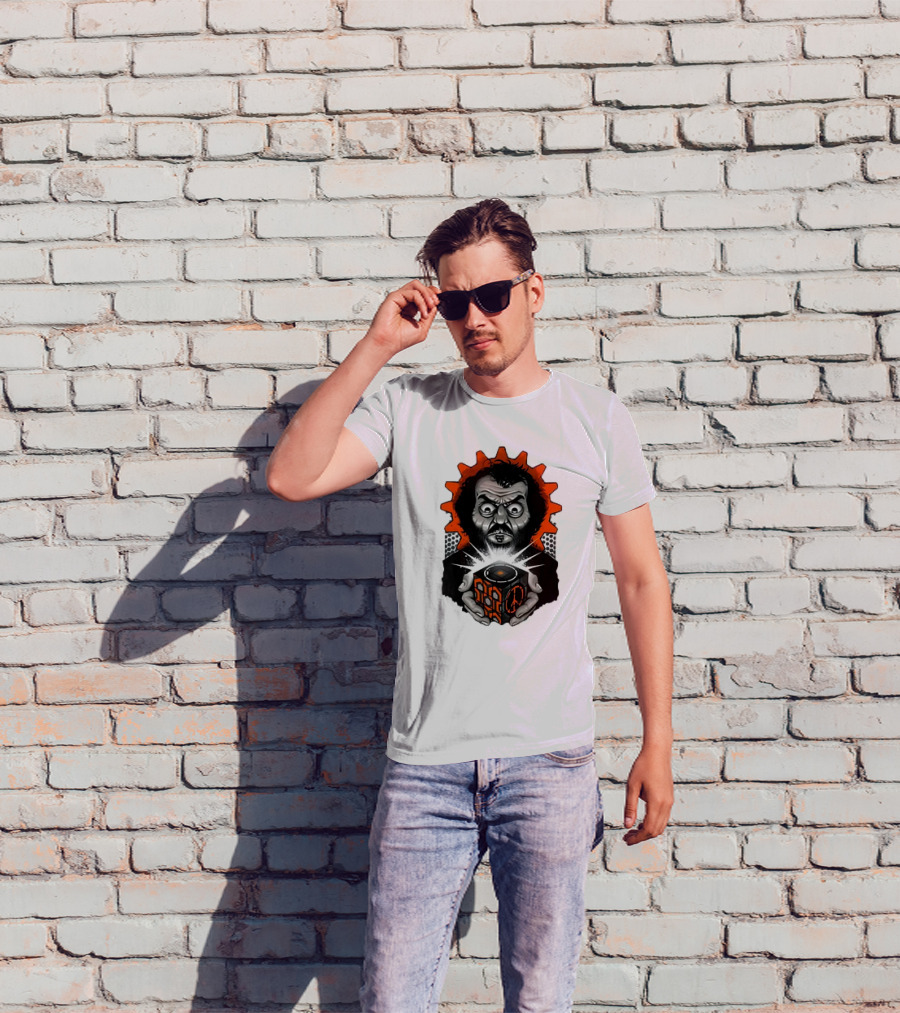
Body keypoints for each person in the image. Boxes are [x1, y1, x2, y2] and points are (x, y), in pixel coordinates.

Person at [266, 198, 674, 1013]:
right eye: (455, 303)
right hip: (426, 767)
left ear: (535, 291)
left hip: (552, 762)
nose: (474, 318)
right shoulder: (410, 409)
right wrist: (379, 346)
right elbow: (292, 476)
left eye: (492, 295)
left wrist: (657, 740)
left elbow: (640, 579)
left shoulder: (594, 420)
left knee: (539, 999)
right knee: (393, 999)